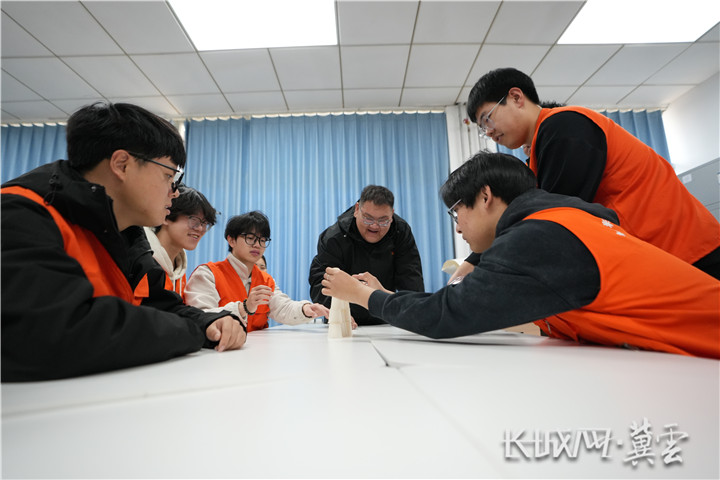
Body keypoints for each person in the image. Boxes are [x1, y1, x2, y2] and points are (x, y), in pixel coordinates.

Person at [322, 152, 720, 358]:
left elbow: (446, 314)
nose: (457, 228)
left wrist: (365, 296)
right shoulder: (568, 220)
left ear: (485, 197)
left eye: (456, 213)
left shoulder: (539, 237)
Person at [1, 102, 246, 382]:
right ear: (122, 165)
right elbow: (54, 333)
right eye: (169, 176)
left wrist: (209, 322)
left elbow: (160, 306)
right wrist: (192, 332)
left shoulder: (126, 232)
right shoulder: (21, 213)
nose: (174, 192)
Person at [452, 67, 720, 282]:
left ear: (516, 97)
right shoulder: (540, 153)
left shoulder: (564, 125)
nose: (488, 131)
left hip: (688, 252)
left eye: (487, 118)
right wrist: (476, 260)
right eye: (482, 128)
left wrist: (480, 264)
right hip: (664, 259)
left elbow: (550, 222)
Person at [185, 211, 330, 331]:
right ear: (231, 240)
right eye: (250, 238)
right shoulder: (208, 274)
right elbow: (200, 316)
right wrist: (243, 307)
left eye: (262, 240)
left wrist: (305, 309)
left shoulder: (265, 279)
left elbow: (282, 308)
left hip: (256, 350)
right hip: (216, 350)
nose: (257, 245)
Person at [308, 185, 424, 325]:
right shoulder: (334, 237)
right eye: (368, 219)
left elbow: (412, 281)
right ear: (357, 209)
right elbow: (321, 283)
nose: (374, 226)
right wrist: (337, 313)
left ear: (392, 215)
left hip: (385, 317)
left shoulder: (401, 232)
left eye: (383, 221)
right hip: (346, 320)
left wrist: (412, 314)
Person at [145, 184, 217, 297]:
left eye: (205, 223)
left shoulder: (179, 269)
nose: (200, 229)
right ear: (165, 216)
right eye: (194, 221)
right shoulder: (142, 260)